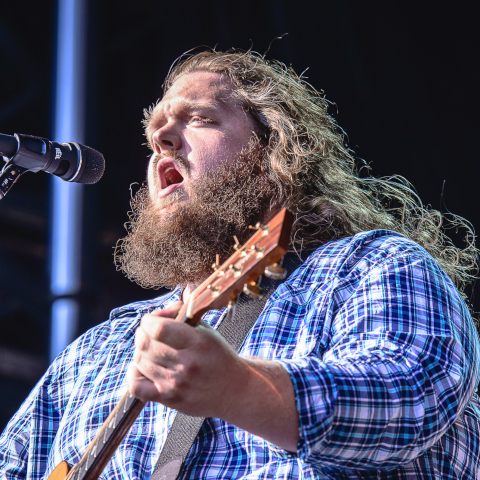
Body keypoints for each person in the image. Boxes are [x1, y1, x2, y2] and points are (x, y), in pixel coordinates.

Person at [1, 50, 479, 480]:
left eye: (201, 119)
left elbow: (410, 401)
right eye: (154, 136)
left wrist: (237, 388)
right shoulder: (95, 353)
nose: (163, 138)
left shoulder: (368, 267)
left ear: (274, 153)